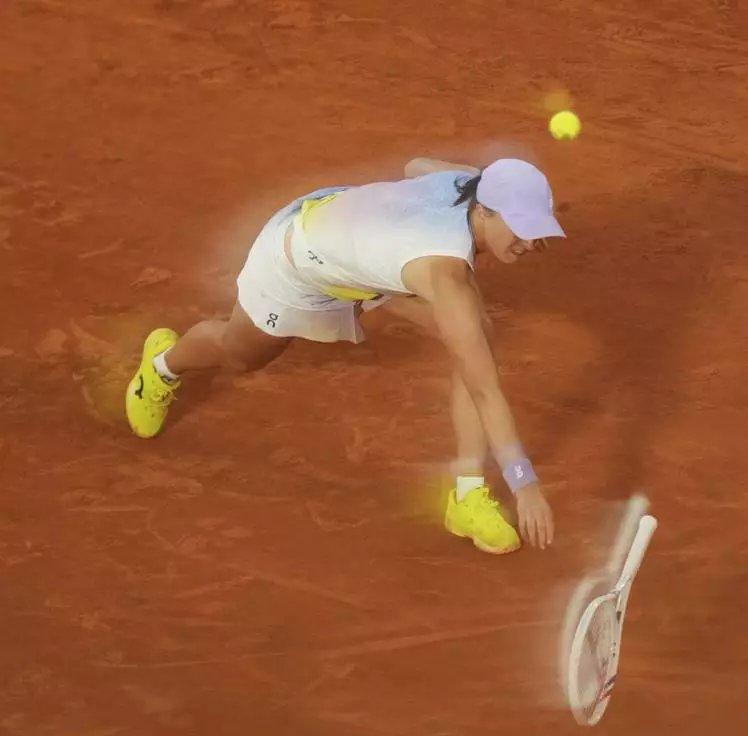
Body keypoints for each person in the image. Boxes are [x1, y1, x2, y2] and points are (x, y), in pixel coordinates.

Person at [124, 157, 563, 555]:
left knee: (475, 340)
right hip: (296, 266)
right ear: (484, 211)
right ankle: (163, 367)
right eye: (522, 227)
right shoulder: (447, 278)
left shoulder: (468, 184)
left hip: (360, 256)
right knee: (241, 356)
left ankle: (466, 496)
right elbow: (484, 391)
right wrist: (524, 485)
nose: (530, 241)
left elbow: (415, 167)